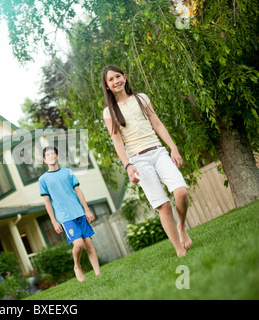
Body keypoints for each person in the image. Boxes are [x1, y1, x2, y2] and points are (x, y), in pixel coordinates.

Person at [101, 65, 192, 258]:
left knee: (181, 192)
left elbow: (156, 122)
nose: (116, 81)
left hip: (158, 151)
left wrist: (173, 148)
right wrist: (128, 166)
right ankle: (179, 249)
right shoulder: (109, 112)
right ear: (107, 86)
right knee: (163, 205)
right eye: (111, 79)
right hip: (137, 160)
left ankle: (181, 226)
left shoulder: (141, 98)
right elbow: (116, 140)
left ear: (125, 77)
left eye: (118, 76)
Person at [38, 146, 101, 281]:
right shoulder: (43, 179)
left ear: (57, 156)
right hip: (65, 217)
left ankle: (98, 274)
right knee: (78, 244)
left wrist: (87, 209)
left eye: (52, 154)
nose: (50, 156)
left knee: (88, 242)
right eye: (47, 155)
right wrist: (54, 221)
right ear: (44, 159)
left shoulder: (68, 172)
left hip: (79, 212)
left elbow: (78, 190)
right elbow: (47, 202)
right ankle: (77, 266)